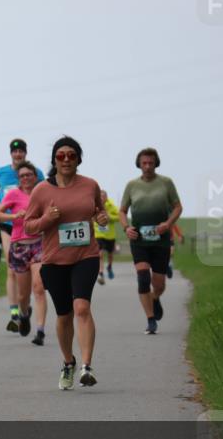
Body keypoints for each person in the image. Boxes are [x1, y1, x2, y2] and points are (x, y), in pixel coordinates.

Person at [24, 136, 108, 390]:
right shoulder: (41, 190)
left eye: (72, 155)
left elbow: (98, 211)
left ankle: (86, 366)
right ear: (54, 160)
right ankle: (68, 361)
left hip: (86, 256)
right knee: (64, 315)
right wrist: (47, 219)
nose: (67, 159)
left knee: (81, 307)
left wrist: (101, 217)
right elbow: (28, 227)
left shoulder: (90, 185)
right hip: (54, 261)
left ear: (79, 159)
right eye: (61, 155)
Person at [118, 148, 182, 335]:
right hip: (139, 238)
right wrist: (126, 227)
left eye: (150, 163)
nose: (147, 166)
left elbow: (178, 207)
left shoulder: (166, 183)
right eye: (144, 163)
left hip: (160, 238)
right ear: (139, 164)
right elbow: (122, 210)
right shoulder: (132, 185)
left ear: (156, 163)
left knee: (159, 283)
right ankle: (150, 319)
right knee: (143, 278)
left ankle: (154, 298)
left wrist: (168, 223)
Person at [0, 139, 45, 332]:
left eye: (21, 151)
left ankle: (26, 307)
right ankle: (15, 310)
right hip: (9, 226)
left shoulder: (36, 172)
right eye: (15, 152)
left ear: (25, 153)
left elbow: (44, 191)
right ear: (10, 154)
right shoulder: (1, 171)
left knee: (33, 278)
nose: (18, 154)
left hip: (32, 230)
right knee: (11, 268)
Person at [94, 189, 119, 285]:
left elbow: (119, 217)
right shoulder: (94, 205)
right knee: (99, 254)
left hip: (110, 235)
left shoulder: (111, 205)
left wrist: (109, 217)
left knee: (110, 254)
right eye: (99, 197)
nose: (101, 199)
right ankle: (100, 272)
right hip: (98, 234)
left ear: (106, 197)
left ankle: (109, 266)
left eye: (103, 197)